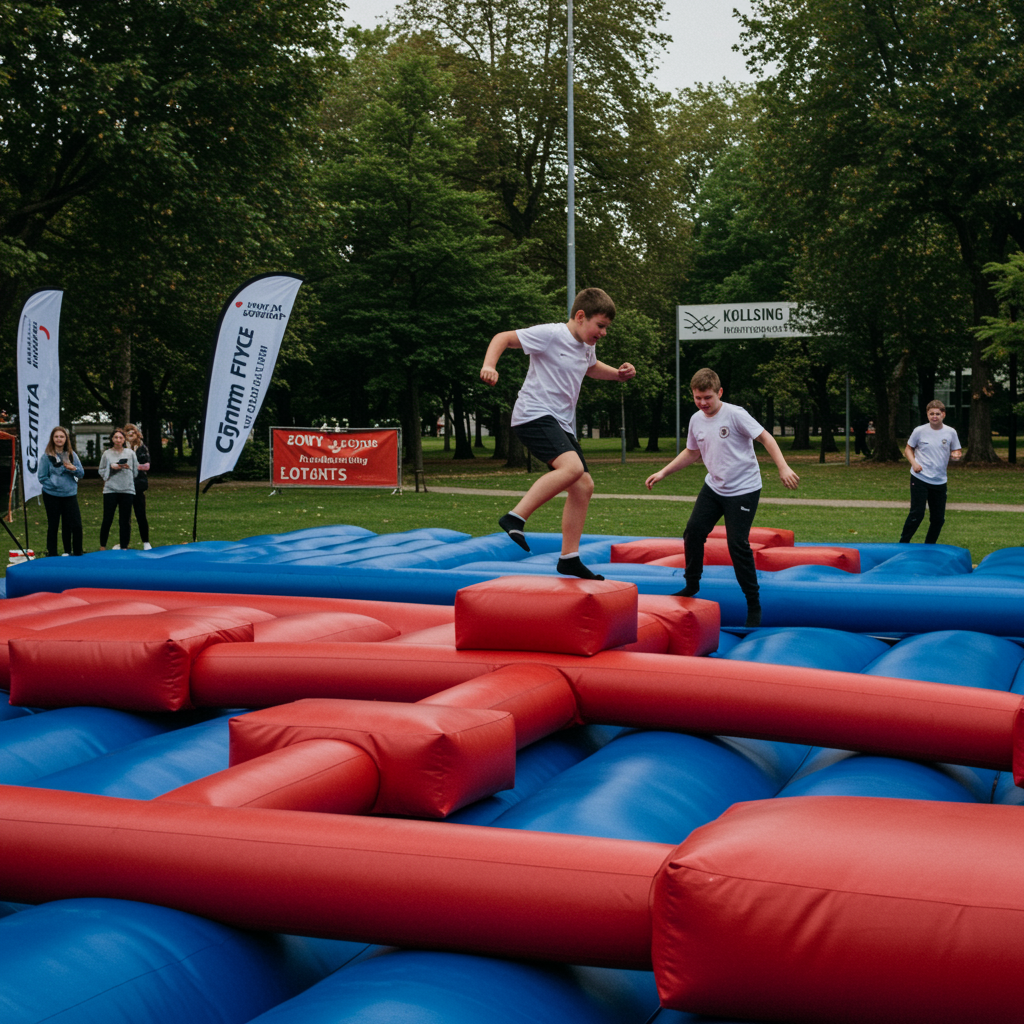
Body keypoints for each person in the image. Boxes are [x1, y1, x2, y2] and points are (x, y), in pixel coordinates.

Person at [480, 287, 636, 580]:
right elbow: (503, 337)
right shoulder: (551, 334)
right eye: (600, 326)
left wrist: (617, 374)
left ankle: (569, 558)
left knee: (583, 485)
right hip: (534, 415)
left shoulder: (586, 345)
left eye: (606, 328)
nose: (603, 333)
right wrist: (490, 365)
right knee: (572, 468)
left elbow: (590, 368)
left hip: (560, 423)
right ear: (580, 316)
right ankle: (515, 516)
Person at [644, 367, 801, 627]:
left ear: (720, 392)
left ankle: (753, 603)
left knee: (737, 544)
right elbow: (692, 452)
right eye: (698, 398)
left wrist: (783, 467)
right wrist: (663, 472)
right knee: (693, 532)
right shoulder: (696, 419)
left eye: (708, 397)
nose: (703, 403)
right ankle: (691, 584)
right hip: (714, 487)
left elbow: (766, 438)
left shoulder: (735, 414)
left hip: (744, 489)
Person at [899, 399, 962, 544]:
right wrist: (914, 463)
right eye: (931, 413)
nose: (934, 416)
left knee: (938, 519)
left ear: (943, 415)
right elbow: (908, 449)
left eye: (937, 414)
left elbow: (956, 450)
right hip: (920, 477)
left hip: (940, 480)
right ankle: (903, 543)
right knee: (917, 514)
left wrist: (956, 455)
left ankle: (929, 546)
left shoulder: (950, 432)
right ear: (927, 415)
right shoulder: (919, 431)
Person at [37, 425, 85, 557]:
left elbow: (81, 474)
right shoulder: (46, 457)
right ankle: (52, 553)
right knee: (53, 524)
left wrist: (72, 468)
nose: (59, 439)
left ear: (66, 439)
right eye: (56, 436)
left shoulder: (71, 455)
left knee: (75, 524)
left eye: (61, 436)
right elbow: (42, 477)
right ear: (52, 439)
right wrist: (54, 485)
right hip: (52, 495)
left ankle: (76, 552)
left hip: (69, 494)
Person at [98, 428, 138, 551]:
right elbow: (101, 470)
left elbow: (135, 471)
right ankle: (102, 546)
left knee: (125, 520)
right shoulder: (107, 453)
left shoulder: (130, 453)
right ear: (112, 439)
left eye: (120, 437)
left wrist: (126, 467)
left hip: (127, 489)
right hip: (110, 490)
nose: (118, 440)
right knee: (107, 518)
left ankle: (124, 546)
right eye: (116, 437)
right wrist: (112, 468)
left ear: (124, 439)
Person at [124, 422, 153, 550]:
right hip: (123, 486)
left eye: (133, 432)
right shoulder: (121, 448)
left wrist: (134, 466)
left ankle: (146, 541)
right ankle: (124, 543)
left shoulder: (142, 448)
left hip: (138, 485)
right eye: (128, 433)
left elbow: (147, 466)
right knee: (125, 516)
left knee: (141, 514)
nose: (131, 435)